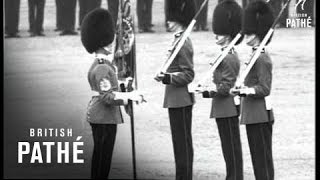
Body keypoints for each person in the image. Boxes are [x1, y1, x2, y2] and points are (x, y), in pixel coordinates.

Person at [80, 8, 144, 179]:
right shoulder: (101, 67)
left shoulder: (105, 65)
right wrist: (129, 97)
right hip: (103, 116)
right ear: (103, 41)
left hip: (105, 116)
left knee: (104, 158)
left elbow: (112, 89)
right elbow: (108, 97)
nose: (112, 42)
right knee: (102, 158)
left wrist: (127, 90)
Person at [231, 1, 275, 179]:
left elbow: (264, 89)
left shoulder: (262, 58)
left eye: (249, 33)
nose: (246, 36)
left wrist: (245, 91)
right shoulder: (254, 54)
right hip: (252, 113)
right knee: (258, 159)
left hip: (259, 114)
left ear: (257, 34)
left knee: (262, 159)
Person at [201, 0, 244, 179]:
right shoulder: (225, 54)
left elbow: (225, 86)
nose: (216, 36)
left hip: (226, 107)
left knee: (231, 146)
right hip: (223, 107)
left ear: (228, 35)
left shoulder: (229, 57)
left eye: (220, 34)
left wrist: (209, 91)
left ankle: (234, 176)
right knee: (228, 145)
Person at [154, 0, 196, 179]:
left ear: (179, 20)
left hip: (181, 97)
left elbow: (188, 74)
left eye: (171, 19)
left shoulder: (183, 42)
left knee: (182, 142)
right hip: (174, 97)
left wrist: (168, 78)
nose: (168, 22)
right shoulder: (177, 39)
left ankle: (184, 176)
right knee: (179, 141)